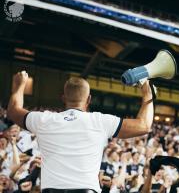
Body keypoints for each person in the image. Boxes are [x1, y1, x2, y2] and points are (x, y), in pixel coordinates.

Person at [7, 71, 154, 193]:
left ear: (63, 98)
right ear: (89, 99)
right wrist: (148, 94)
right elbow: (144, 125)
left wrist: (19, 85)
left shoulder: (44, 119)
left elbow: (13, 111)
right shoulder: (100, 121)